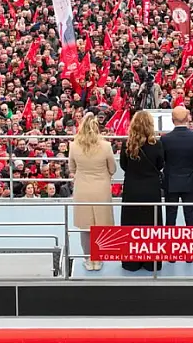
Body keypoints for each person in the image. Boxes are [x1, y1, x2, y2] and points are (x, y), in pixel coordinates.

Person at [69, 113, 115, 272]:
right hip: (101, 188)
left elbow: (72, 168)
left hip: (82, 188)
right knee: (100, 224)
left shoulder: (73, 145)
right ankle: (98, 258)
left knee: (85, 226)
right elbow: (112, 168)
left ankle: (88, 259)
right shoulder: (106, 146)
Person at [119, 110, 164, 272]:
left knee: (131, 224)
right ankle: (151, 262)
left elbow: (123, 165)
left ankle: (131, 262)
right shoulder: (157, 144)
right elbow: (160, 164)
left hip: (132, 188)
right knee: (151, 225)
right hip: (151, 189)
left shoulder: (127, 144)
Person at [160, 106, 193, 228]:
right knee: (190, 217)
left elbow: (163, 159)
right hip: (190, 180)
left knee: (170, 217)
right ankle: (192, 239)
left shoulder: (165, 139)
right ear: (188, 119)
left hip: (171, 181)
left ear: (172, 120)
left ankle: (169, 240)